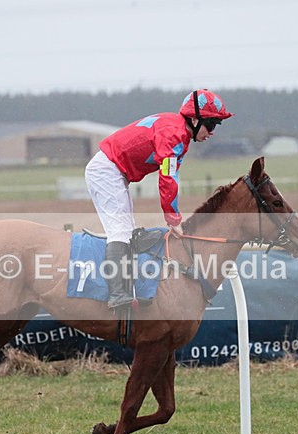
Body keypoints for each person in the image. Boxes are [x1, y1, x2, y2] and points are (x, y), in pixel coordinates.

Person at [84, 89, 233, 309]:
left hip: (115, 172)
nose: (212, 132)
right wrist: (173, 219)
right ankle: (117, 295)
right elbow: (167, 179)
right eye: (210, 125)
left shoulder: (179, 132)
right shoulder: (173, 133)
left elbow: (171, 176)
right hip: (107, 170)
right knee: (120, 232)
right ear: (194, 119)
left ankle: (128, 290)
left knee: (128, 231)